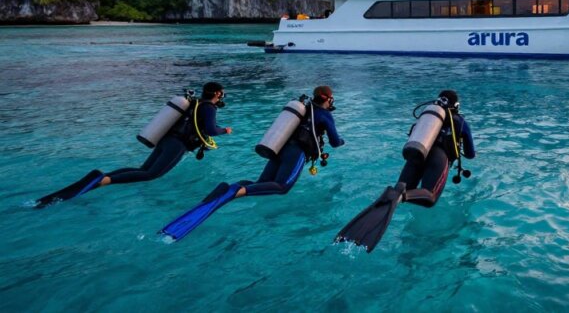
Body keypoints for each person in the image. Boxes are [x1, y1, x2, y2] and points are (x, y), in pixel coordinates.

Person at [159, 86, 344, 241]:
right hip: (296, 153)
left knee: (260, 183)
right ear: (328, 99)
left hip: (279, 148)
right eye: (331, 99)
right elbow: (335, 142)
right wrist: (342, 141)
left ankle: (234, 187)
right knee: (282, 186)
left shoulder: (304, 109)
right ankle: (236, 191)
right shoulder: (324, 115)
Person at [35, 82, 232, 208]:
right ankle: (104, 181)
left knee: (143, 169)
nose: (222, 97)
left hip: (166, 139)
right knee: (151, 175)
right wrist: (226, 130)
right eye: (221, 93)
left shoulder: (195, 103)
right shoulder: (208, 107)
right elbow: (212, 130)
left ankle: (105, 176)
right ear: (216, 93)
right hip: (177, 144)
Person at [335, 89, 475, 252]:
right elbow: (470, 154)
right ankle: (401, 195)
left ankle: (396, 193)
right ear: (456, 106)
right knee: (430, 196)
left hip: (416, 155)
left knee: (401, 187)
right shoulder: (460, 121)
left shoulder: (426, 119)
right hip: (439, 157)